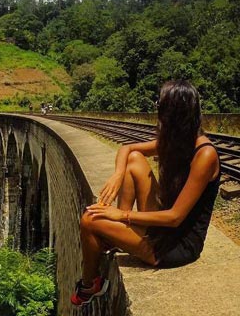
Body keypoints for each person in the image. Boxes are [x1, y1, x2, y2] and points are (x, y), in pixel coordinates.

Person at [71, 80, 221, 306]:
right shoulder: (178, 141)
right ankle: (119, 237)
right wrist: (118, 174)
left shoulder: (205, 154)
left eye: (159, 105)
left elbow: (175, 217)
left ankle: (89, 284)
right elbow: (127, 149)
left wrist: (122, 216)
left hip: (177, 246)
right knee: (134, 160)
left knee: (89, 220)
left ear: (170, 114)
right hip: (164, 230)